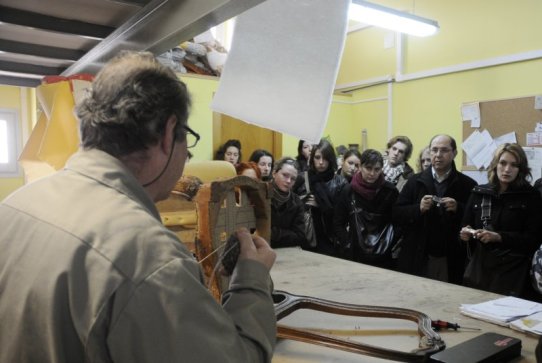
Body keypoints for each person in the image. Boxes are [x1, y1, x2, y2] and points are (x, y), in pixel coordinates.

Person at [0, 51, 276, 362]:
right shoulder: (150, 259)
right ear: (169, 134)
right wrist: (251, 282)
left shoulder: (14, 205)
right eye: (188, 139)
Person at [460, 143, 542, 297]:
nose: (507, 169)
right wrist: (465, 235)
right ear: (495, 164)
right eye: (503, 163)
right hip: (480, 271)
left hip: (514, 274)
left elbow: (533, 239)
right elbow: (465, 226)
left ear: (521, 169)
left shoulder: (531, 196)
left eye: (513, 165)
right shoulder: (479, 193)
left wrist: (499, 237)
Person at [394, 134, 477, 285]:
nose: (438, 155)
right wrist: (418, 209)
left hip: (451, 257)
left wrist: (459, 208)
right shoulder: (415, 181)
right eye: (434, 150)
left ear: (454, 153)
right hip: (418, 255)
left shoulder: (468, 184)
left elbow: (475, 220)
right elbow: (397, 213)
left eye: (444, 150)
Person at [334, 149, 398, 267]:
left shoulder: (390, 191)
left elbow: (397, 222)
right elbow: (338, 222)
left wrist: (389, 244)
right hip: (355, 254)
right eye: (368, 168)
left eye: (377, 169)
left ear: (381, 169)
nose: (372, 173)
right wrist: (347, 244)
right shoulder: (348, 190)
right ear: (361, 167)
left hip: (382, 255)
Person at [302, 138, 346, 256]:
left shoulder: (340, 182)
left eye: (325, 158)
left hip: (331, 238)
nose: (321, 162)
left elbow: (341, 216)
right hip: (309, 236)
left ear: (331, 159)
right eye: (317, 157)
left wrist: (321, 205)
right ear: (312, 158)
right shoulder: (304, 179)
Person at [269, 157, 306, 248]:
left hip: (286, 250)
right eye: (285, 175)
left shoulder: (296, 202)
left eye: (293, 178)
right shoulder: (260, 194)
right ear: (274, 173)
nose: (289, 181)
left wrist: (273, 233)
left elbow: (300, 236)